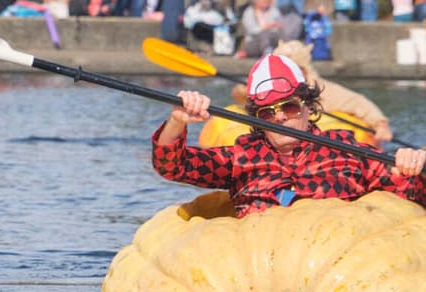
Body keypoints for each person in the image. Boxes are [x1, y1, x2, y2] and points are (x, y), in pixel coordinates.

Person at [155, 52, 426, 215]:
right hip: (260, 277)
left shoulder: (349, 151)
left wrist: (414, 166)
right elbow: (172, 166)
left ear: (308, 106)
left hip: (335, 276)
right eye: (267, 113)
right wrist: (178, 120)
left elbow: (410, 196)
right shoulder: (242, 157)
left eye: (289, 106)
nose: (280, 116)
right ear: (258, 120)